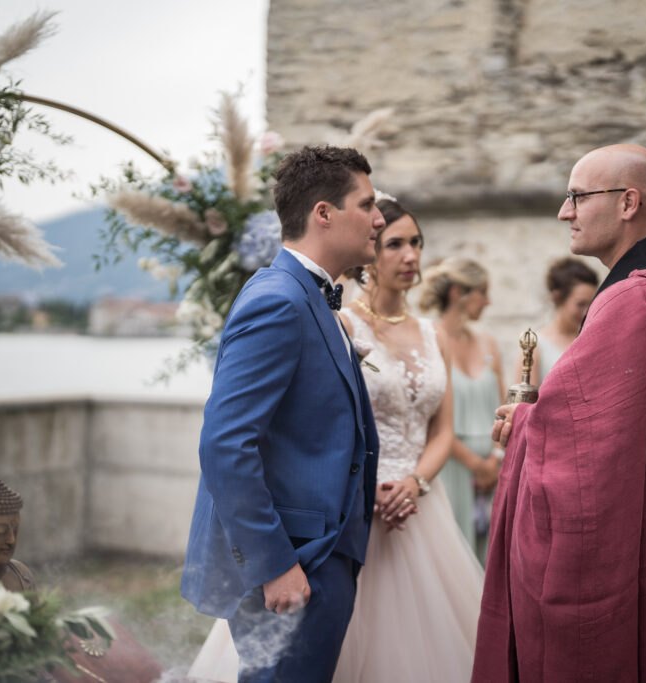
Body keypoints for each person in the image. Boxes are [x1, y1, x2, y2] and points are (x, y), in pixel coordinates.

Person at [474, 144, 646, 681]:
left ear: (628, 203)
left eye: (578, 196)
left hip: (616, 548)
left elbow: (580, 435)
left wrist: (524, 420)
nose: (565, 211)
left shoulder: (632, 300)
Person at [180, 145, 384, 683]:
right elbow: (226, 444)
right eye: (366, 205)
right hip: (295, 564)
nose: (379, 219)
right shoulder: (279, 300)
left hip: (322, 554)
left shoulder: (313, 298)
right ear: (323, 213)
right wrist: (275, 565)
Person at [333, 196, 484, 681]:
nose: (411, 256)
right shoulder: (342, 325)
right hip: (360, 504)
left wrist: (416, 483)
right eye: (395, 244)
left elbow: (442, 432)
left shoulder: (434, 333)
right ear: (367, 250)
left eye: (416, 243)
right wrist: (371, 484)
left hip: (420, 504)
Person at [420, 257, 504, 564]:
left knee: (492, 559)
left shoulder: (489, 343)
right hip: (450, 467)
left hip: (493, 470)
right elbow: (430, 415)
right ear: (458, 293)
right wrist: (473, 463)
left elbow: (503, 408)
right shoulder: (428, 339)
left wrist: (494, 460)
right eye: (482, 291)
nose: (488, 300)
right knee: (453, 559)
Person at [521, 257, 598, 386]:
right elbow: (525, 403)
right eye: (580, 304)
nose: (586, 312)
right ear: (558, 298)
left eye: (591, 304)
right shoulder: (536, 347)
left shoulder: (593, 341)